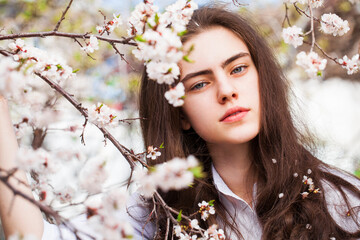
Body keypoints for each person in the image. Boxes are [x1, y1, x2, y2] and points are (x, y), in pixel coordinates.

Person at [0, 5, 359, 240]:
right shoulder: (154, 215)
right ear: (180, 113)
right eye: (199, 84)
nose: (227, 91)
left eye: (238, 69)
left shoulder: (339, 199)